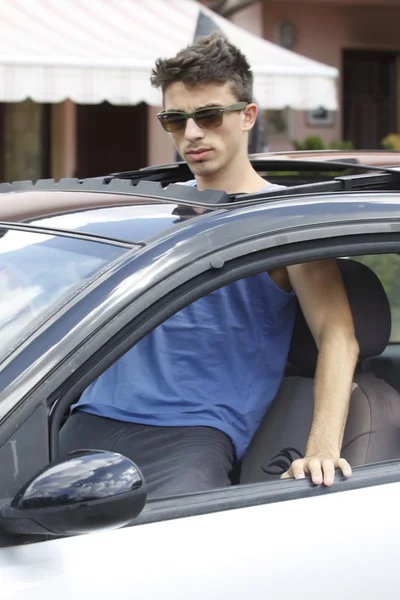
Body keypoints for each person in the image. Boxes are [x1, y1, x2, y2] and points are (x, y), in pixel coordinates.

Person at [59, 34, 359, 497]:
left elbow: (338, 334)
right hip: (88, 417)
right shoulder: (150, 211)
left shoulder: (283, 218)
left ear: (247, 116)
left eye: (209, 116)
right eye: (175, 121)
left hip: (191, 435)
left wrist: (321, 445)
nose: (192, 134)